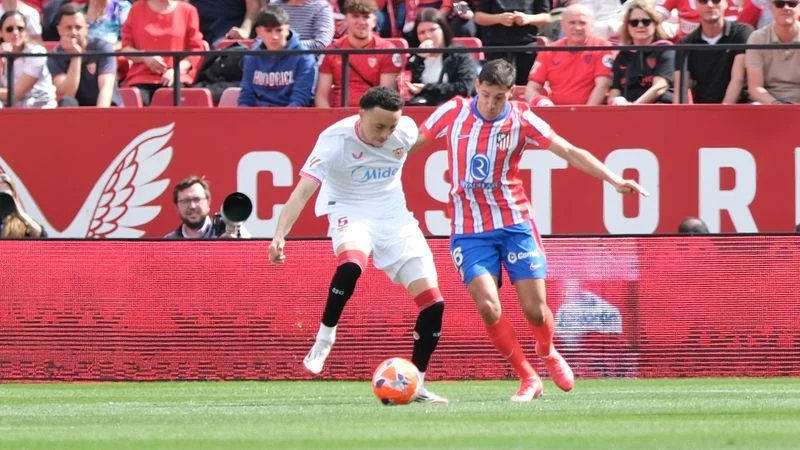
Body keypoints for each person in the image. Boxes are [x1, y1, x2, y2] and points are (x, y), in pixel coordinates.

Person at [411, 58, 648, 401]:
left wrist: (613, 180)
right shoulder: (453, 112)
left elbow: (568, 150)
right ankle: (528, 378)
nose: (492, 104)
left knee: (535, 310)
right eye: (487, 94)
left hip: (514, 223)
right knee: (488, 306)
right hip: (469, 229)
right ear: (477, 86)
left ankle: (547, 350)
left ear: (511, 94)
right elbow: (411, 144)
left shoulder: (521, 117)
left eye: (500, 97)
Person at [268, 86, 448, 404]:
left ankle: (415, 382)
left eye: (391, 126)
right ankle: (325, 337)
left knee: (434, 304)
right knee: (351, 265)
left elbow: (415, 143)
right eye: (379, 126)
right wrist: (280, 235)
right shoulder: (334, 140)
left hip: (394, 218)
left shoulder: (403, 131)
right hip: (349, 209)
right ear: (361, 114)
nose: (385, 134)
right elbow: (302, 192)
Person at [674, 0, 753, 104]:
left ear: (726, 3)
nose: (710, 5)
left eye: (716, 0)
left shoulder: (742, 32)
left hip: (740, 109)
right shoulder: (686, 44)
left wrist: (721, 114)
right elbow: (680, 90)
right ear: (696, 5)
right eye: (703, 1)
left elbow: (738, 79)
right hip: (704, 111)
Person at [237, 5, 316, 107]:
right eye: (268, 31)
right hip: (258, 117)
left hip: (292, 118)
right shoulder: (252, 57)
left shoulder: (304, 57)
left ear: (287, 29)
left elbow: (300, 99)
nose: (274, 36)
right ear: (259, 31)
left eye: (279, 30)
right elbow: (246, 96)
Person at [49, 3, 124, 107]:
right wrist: (76, 57)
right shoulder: (55, 56)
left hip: (106, 109)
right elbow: (68, 94)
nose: (74, 32)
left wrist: (99, 118)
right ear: (59, 30)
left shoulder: (103, 47)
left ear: (87, 28)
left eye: (78, 27)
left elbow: (106, 88)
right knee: (67, 102)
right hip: (75, 112)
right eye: (68, 28)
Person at [0, 10, 57, 108]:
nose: (15, 32)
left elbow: (16, 95)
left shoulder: (37, 52)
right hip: (13, 109)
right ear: (1, 33)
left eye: (20, 28)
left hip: (41, 108)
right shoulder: (1, 53)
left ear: (26, 31)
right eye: (9, 29)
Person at [164, 176, 251, 239]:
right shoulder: (168, 242)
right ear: (176, 207)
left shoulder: (232, 229)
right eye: (185, 201)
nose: (192, 206)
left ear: (208, 202)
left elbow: (250, 256)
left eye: (197, 199)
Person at [0, 173, 46, 238]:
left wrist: (22, 215)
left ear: (14, 196)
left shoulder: (22, 224)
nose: (3, 201)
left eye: (6, 197)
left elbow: (40, 236)